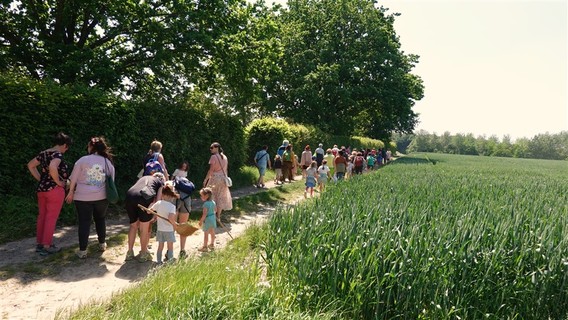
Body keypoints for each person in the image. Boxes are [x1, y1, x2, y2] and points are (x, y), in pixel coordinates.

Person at [65, 136, 115, 259]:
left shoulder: (82, 160)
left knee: (84, 222)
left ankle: (82, 251)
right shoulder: (107, 162)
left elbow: (73, 179)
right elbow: (111, 181)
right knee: (100, 219)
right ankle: (102, 244)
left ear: (91, 147)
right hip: (102, 197)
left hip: (82, 197)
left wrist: (71, 192)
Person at [27, 132, 72, 256]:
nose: (66, 150)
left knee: (42, 216)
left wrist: (41, 179)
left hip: (42, 189)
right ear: (65, 145)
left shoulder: (44, 153)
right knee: (51, 217)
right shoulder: (58, 154)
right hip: (54, 190)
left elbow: (30, 165)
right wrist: (58, 182)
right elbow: (53, 166)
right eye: (67, 147)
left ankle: (40, 244)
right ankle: (47, 245)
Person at [124, 172, 166, 262]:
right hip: (144, 198)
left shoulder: (144, 178)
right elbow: (158, 201)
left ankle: (129, 253)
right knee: (144, 229)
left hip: (129, 196)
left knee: (133, 226)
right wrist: (155, 213)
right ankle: (143, 254)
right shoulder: (160, 183)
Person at [149, 184, 179, 264]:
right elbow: (170, 218)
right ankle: (170, 260)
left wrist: (150, 206)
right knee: (170, 246)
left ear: (162, 195)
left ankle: (159, 261)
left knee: (160, 246)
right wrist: (175, 225)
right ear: (172, 196)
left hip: (160, 229)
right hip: (169, 230)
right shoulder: (172, 206)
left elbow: (149, 211)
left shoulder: (158, 203)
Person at [203, 142, 232, 221]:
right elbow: (226, 170)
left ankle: (211, 215)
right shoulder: (225, 157)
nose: (211, 149)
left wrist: (206, 179)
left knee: (212, 196)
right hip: (223, 179)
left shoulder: (213, 157)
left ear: (217, 148)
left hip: (215, 178)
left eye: (212, 148)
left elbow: (211, 170)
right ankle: (218, 216)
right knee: (221, 197)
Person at [198, 187, 217, 252]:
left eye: (202, 195)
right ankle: (212, 244)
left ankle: (205, 246)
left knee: (206, 233)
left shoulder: (205, 204)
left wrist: (201, 221)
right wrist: (213, 214)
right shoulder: (213, 202)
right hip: (213, 218)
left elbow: (204, 214)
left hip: (208, 219)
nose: (201, 197)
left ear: (206, 196)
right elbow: (215, 210)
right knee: (212, 232)